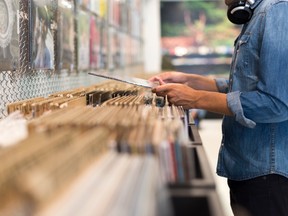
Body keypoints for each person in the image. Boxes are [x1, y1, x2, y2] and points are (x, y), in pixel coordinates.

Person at [149, 0, 288, 215]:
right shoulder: (258, 14)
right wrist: (191, 80)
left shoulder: (276, 10)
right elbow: (248, 83)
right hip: (250, 167)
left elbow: (276, 104)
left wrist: (196, 98)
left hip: (267, 174)